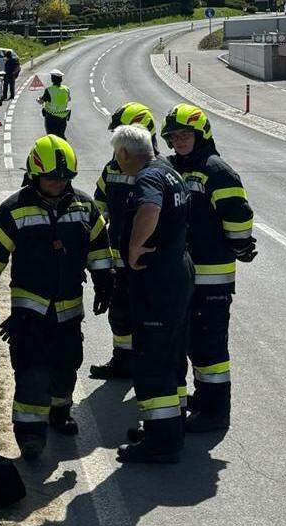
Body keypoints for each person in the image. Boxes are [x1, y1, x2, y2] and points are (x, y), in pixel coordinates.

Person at [0, 135, 112, 459]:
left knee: (67, 366)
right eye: (51, 178)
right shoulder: (13, 209)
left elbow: (100, 249)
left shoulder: (84, 206)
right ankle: (30, 435)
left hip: (69, 311)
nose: (58, 183)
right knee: (32, 371)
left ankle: (59, 412)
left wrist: (106, 283)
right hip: (29, 314)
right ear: (35, 174)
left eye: (64, 178)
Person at [162, 104, 257, 432]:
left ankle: (216, 413)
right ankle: (204, 399)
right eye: (174, 137)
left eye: (185, 135)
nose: (180, 141)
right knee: (192, 343)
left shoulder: (217, 171)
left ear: (200, 134)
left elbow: (239, 217)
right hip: (184, 278)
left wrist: (241, 245)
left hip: (212, 279)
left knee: (210, 347)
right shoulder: (173, 169)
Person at [109, 124, 193, 463]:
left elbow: (149, 210)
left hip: (157, 281)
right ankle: (169, 426)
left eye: (117, 155)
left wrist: (134, 247)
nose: (117, 162)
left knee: (153, 360)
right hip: (178, 274)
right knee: (171, 355)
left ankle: (161, 443)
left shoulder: (147, 179)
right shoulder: (170, 172)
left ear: (126, 153)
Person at [90, 102, 159, 380]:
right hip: (119, 260)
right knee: (119, 315)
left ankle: (149, 367)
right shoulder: (112, 169)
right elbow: (99, 205)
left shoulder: (159, 170)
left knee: (150, 320)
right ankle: (122, 361)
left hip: (150, 265)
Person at [38, 69, 71, 140]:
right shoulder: (66, 89)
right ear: (61, 80)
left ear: (52, 79)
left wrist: (38, 99)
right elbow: (69, 99)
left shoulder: (49, 90)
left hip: (51, 118)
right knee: (61, 136)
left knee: (51, 137)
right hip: (63, 118)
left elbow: (41, 101)